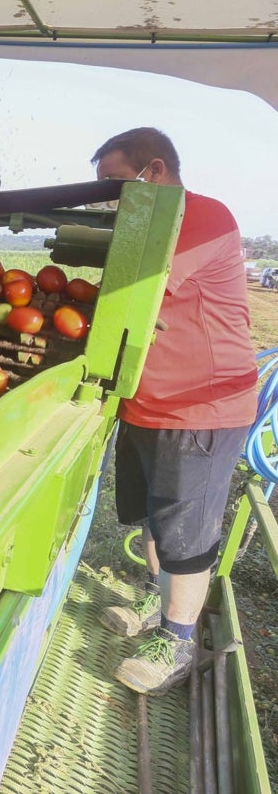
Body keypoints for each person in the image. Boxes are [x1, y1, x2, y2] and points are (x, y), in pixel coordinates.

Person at [91, 127, 257, 695]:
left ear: (154, 171)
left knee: (187, 531)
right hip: (146, 402)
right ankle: (157, 600)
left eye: (115, 184)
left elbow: (134, 292)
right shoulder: (145, 224)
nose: (110, 200)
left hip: (202, 406)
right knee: (156, 517)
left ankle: (177, 640)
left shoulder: (202, 216)